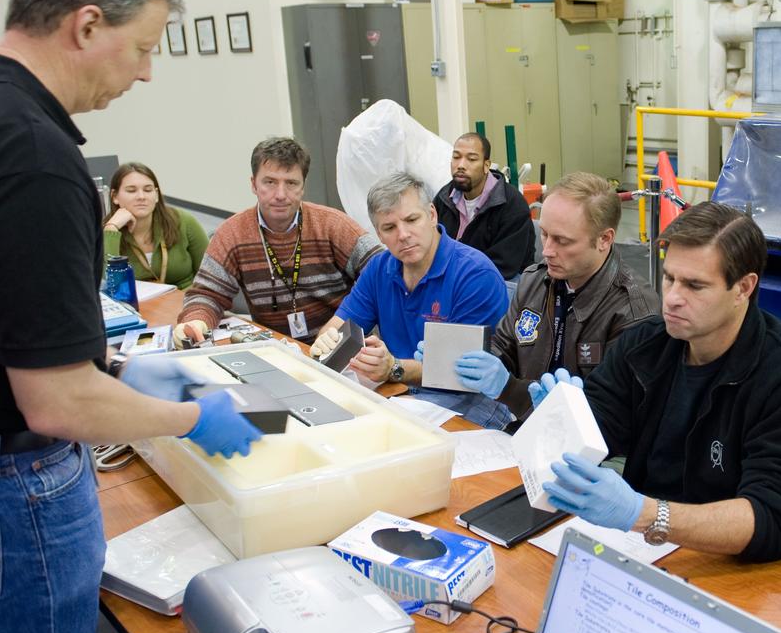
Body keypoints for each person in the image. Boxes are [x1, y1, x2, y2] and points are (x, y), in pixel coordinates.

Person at [0, 0, 261, 633]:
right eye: (144, 48)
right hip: (8, 489)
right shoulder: (30, 150)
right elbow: (53, 400)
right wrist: (191, 417)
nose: (146, 74)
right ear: (86, 24)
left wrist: (116, 368)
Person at [541, 202, 781, 561]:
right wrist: (564, 419)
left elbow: (772, 518)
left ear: (743, 288)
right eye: (670, 278)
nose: (672, 298)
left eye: (695, 286)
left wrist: (645, 514)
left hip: (759, 571)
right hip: (656, 549)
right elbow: (600, 429)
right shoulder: (644, 346)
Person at [438, 172, 658, 423]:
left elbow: (611, 417)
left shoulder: (633, 312)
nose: (547, 251)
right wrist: (459, 360)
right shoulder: (535, 282)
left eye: (562, 241)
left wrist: (508, 389)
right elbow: (504, 348)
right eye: (544, 234)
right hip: (526, 428)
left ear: (604, 239)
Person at [311, 172, 510, 427]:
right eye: (389, 227)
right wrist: (326, 341)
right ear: (378, 235)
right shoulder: (378, 269)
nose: (403, 234)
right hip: (403, 394)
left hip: (469, 402)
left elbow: (457, 374)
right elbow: (339, 326)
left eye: (411, 219)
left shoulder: (474, 275)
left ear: (432, 214)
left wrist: (392, 367)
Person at [175, 137, 381, 343]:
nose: (281, 194)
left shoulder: (333, 225)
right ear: (253, 185)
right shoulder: (232, 234)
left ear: (303, 187)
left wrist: (347, 322)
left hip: (338, 345)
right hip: (276, 350)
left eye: (291, 183)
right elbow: (207, 295)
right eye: (270, 182)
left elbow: (385, 271)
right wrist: (195, 322)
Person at [433, 132, 535, 279]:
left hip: (500, 282)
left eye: (471, 159)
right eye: (456, 157)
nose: (461, 165)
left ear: (486, 165)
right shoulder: (444, 197)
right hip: (453, 278)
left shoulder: (512, 205)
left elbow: (503, 266)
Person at [102, 161, 209, 289]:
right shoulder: (106, 232)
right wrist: (111, 229)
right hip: (134, 306)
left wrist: (183, 300)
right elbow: (113, 285)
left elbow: (210, 276)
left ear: (156, 195)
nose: (141, 196)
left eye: (148, 190)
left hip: (187, 300)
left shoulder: (183, 221)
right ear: (115, 197)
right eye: (131, 191)